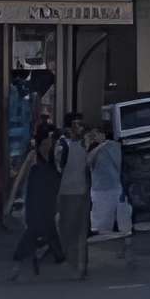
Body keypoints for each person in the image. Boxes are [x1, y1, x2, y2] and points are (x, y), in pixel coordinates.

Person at [9, 126, 66, 277]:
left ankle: (51, 258)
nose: (49, 144)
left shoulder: (54, 156)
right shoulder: (33, 156)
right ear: (41, 142)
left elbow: (58, 178)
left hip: (49, 201)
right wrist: (11, 201)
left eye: (50, 141)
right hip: (35, 201)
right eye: (47, 141)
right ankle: (18, 263)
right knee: (33, 231)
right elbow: (20, 179)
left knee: (50, 230)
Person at [56, 115, 95, 275]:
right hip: (82, 192)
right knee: (81, 231)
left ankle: (72, 262)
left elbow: (58, 167)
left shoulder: (62, 146)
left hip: (67, 192)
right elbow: (89, 169)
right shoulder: (86, 147)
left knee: (67, 229)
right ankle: (81, 265)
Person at [86, 124, 129, 242]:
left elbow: (119, 165)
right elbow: (88, 162)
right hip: (101, 188)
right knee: (102, 224)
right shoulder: (94, 148)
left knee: (110, 222)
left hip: (110, 187)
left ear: (102, 134)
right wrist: (100, 146)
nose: (94, 137)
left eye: (95, 134)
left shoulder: (114, 146)